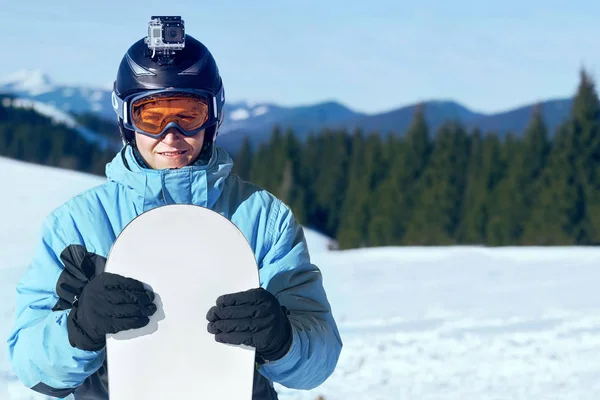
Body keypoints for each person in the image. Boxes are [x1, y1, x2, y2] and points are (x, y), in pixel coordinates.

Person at [6, 17, 342, 400]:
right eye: (150, 116)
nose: (171, 135)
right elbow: (33, 368)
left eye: (188, 116)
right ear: (127, 121)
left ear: (212, 118)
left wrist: (282, 339)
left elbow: (319, 361)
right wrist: (78, 328)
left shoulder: (263, 219)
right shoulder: (77, 226)